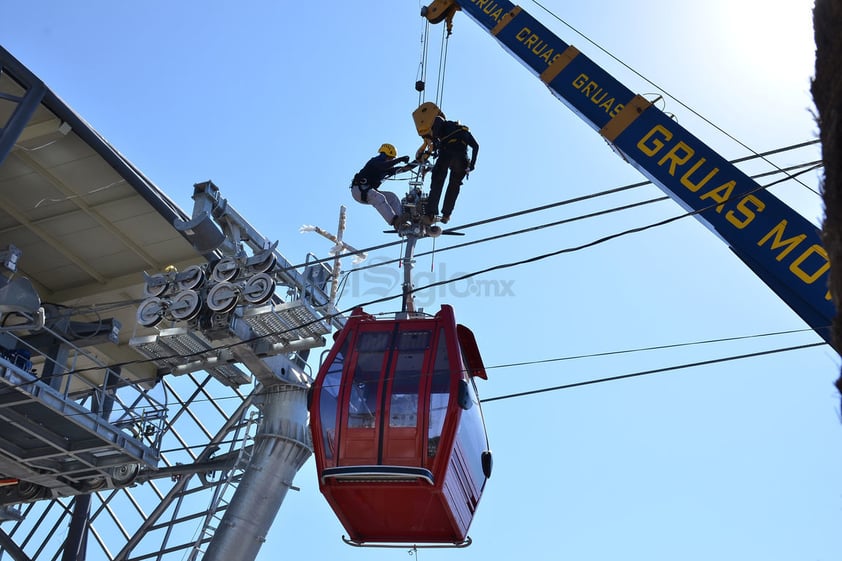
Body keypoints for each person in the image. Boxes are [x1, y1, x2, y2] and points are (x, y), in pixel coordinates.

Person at [424, 115, 478, 224]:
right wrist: (472, 165)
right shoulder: (465, 131)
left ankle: (431, 213)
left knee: (438, 180)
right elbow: (476, 146)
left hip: (447, 153)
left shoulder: (446, 124)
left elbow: (438, 119)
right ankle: (446, 215)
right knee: (454, 185)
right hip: (462, 159)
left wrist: (435, 140)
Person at [350, 143, 413, 227]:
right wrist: (399, 159)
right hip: (359, 190)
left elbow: (404, 169)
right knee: (379, 197)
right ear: (384, 155)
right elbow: (383, 166)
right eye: (390, 158)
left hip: (368, 191)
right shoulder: (375, 162)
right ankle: (395, 222)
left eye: (392, 158)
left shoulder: (387, 169)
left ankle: (402, 221)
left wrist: (419, 162)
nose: (391, 160)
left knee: (391, 197)